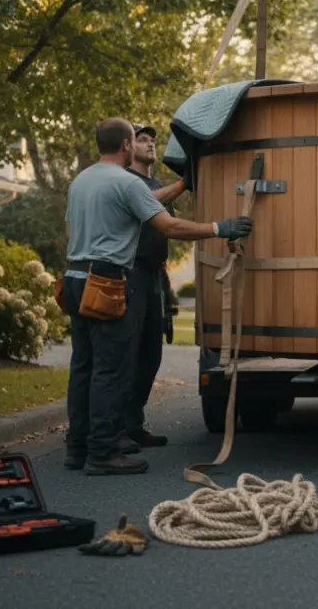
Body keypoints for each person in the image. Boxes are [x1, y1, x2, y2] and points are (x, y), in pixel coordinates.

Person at [62, 118, 253, 475]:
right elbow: (170, 227)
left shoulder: (81, 181)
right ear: (125, 146)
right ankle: (102, 453)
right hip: (106, 280)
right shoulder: (126, 182)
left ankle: (78, 447)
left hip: (74, 277)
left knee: (84, 365)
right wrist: (219, 228)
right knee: (110, 368)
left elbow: (70, 229)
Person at [121, 122, 183, 450]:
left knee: (151, 353)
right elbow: (155, 203)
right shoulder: (128, 183)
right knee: (129, 352)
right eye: (142, 140)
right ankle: (120, 427)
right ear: (127, 147)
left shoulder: (155, 181)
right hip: (131, 274)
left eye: (151, 141)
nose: (149, 145)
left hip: (155, 276)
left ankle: (134, 422)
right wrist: (188, 180)